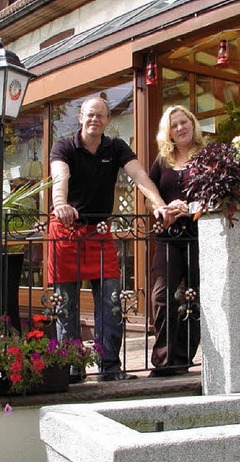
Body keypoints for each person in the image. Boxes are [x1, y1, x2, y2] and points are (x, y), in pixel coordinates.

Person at [48, 96, 172, 382]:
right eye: (90, 115)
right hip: (66, 230)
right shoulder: (64, 146)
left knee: (111, 300)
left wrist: (159, 204)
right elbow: (60, 177)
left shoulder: (115, 147)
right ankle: (71, 369)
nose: (95, 119)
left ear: (107, 121)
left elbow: (140, 176)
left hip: (100, 231)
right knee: (66, 305)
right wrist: (60, 203)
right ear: (80, 117)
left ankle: (109, 368)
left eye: (100, 116)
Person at [148, 105, 204, 377]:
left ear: (193, 124)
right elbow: (151, 195)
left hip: (199, 236)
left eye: (184, 122)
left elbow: (219, 195)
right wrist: (162, 208)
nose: (180, 127)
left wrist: (190, 207)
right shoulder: (162, 160)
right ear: (167, 131)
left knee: (196, 296)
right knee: (161, 296)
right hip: (168, 237)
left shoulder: (207, 156)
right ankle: (163, 360)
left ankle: (183, 358)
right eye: (174, 125)